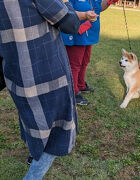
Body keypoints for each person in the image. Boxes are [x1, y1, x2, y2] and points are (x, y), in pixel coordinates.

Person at [0, 0, 97, 179]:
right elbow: (71, 24)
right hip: (47, 77)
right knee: (56, 132)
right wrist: (65, 2)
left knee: (32, 120)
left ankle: (34, 151)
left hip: (16, 75)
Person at [61, 0, 118, 105]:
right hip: (76, 33)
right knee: (75, 64)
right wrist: (85, 15)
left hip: (88, 32)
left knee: (85, 61)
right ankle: (73, 91)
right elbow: (67, 12)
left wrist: (109, 2)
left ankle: (80, 84)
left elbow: (99, 8)